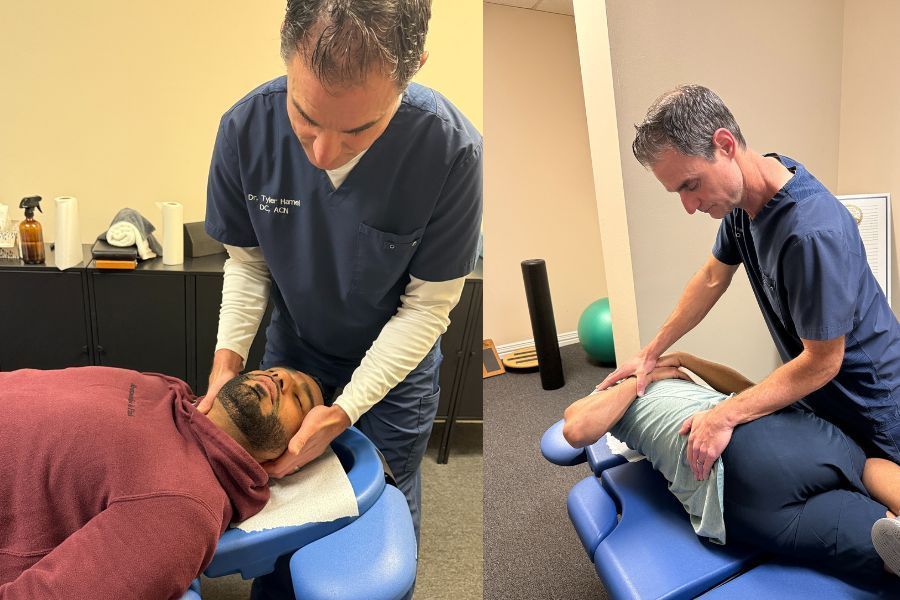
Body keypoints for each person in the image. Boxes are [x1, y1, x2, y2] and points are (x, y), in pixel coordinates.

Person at [200, 3, 481, 570]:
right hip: (295, 350)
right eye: (304, 116)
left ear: (414, 70)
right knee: (283, 511)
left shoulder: (450, 152)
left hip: (396, 375)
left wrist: (346, 409)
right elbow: (249, 264)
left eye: (359, 129)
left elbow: (426, 308)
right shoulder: (244, 129)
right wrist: (226, 367)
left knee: (377, 514)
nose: (322, 154)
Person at [597, 84, 900, 483]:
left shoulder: (810, 232)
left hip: (873, 404)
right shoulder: (745, 203)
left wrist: (723, 415)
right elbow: (710, 278)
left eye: (691, 185)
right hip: (821, 396)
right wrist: (651, 352)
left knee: (876, 499)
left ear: (724, 145)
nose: (689, 206)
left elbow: (823, 361)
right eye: (678, 193)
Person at [564, 352, 900, 580]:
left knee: (847, 522)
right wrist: (644, 379)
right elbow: (577, 427)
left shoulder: (653, 391)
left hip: (737, 474)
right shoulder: (612, 394)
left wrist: (680, 361)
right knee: (863, 466)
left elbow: (576, 428)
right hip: (785, 441)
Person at [0, 365, 323, 599]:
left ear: (293, 455)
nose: (280, 378)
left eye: (299, 398)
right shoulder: (164, 388)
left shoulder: (183, 506)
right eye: (275, 370)